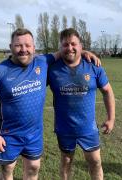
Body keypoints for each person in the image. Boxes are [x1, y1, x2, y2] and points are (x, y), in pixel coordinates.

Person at [0, 28, 100, 180]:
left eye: (27, 45)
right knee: (7, 168)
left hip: (34, 133)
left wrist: (84, 52)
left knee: (33, 168)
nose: (23, 49)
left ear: (34, 48)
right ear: (11, 47)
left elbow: (67, 51)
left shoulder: (42, 62)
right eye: (18, 45)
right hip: (9, 133)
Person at [48, 28, 115, 180]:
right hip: (64, 128)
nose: (70, 48)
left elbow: (107, 91)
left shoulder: (93, 66)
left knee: (95, 162)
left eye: (73, 44)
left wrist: (111, 119)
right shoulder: (52, 69)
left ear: (81, 45)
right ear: (60, 47)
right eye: (65, 45)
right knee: (66, 161)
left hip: (88, 128)